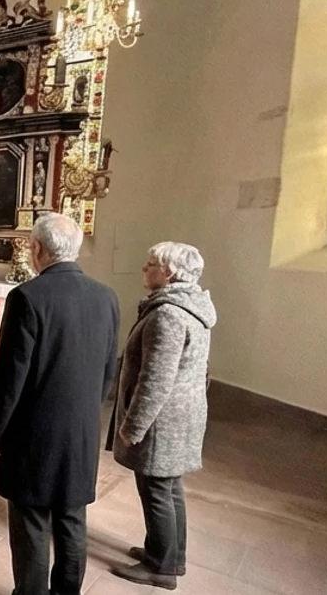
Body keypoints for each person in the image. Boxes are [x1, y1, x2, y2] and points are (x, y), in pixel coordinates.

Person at [0, 213, 120, 595]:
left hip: (33, 433)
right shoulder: (107, 297)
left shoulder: (27, 297)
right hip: (82, 430)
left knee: (31, 520)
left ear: (36, 249)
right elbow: (110, 368)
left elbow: (10, 377)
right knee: (72, 516)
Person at [108, 242, 216, 591]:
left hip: (162, 422)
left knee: (156, 490)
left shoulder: (168, 315)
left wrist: (133, 427)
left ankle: (160, 567)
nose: (144, 268)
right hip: (181, 416)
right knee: (169, 489)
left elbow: (155, 379)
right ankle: (170, 553)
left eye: (151, 263)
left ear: (169, 273)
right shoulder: (191, 307)